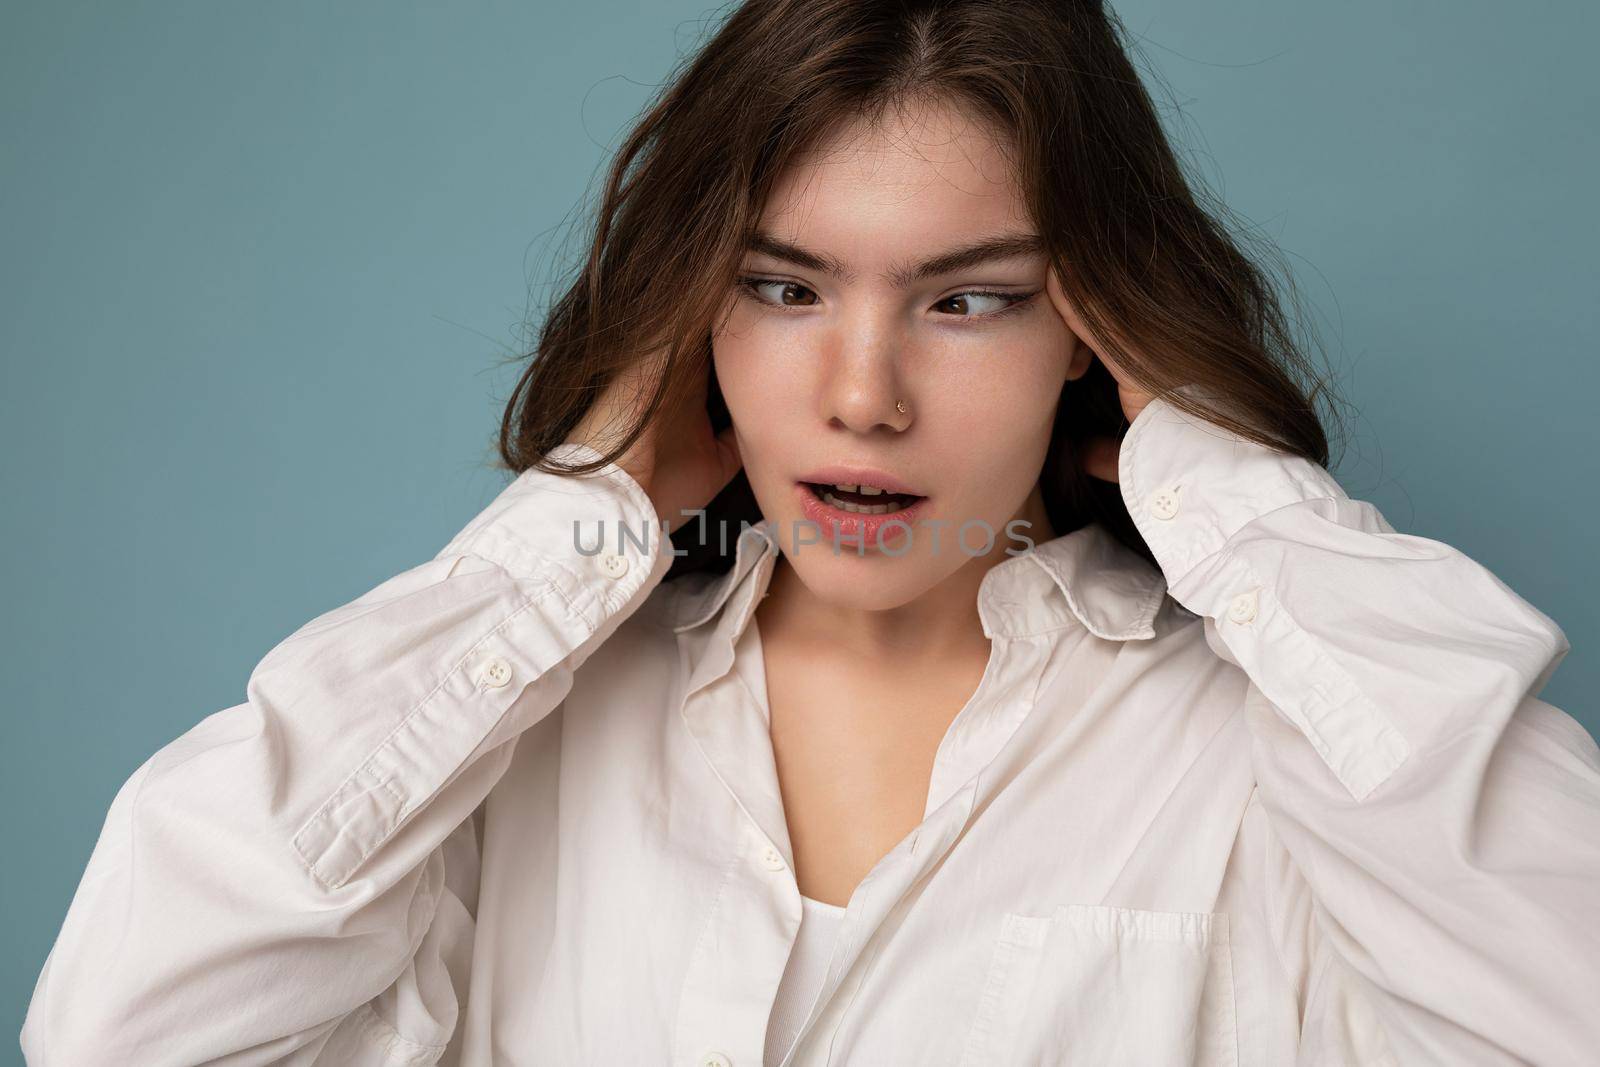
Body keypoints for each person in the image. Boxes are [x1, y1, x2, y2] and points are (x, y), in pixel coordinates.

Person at [21, 1, 1600, 1064]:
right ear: (692, 315)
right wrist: (580, 524)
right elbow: (121, 1031)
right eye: (784, 289)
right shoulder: (495, 767)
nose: (862, 396)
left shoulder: (1275, 772)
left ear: (1094, 335)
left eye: (969, 300)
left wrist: (1219, 487)